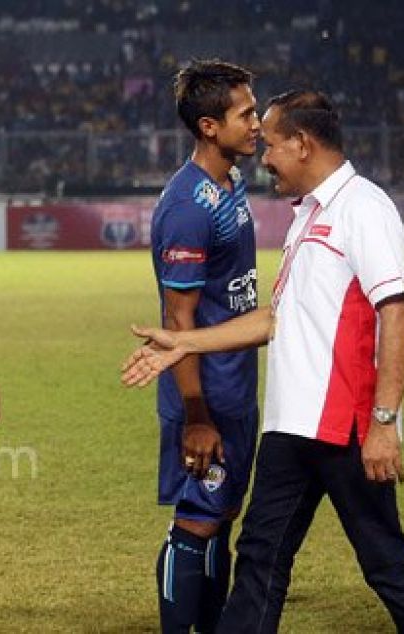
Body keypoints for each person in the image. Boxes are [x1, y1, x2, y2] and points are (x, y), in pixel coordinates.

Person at [123, 90, 404, 632]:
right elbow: (274, 320)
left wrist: (384, 423)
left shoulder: (364, 209)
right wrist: (185, 343)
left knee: (385, 561)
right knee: (260, 557)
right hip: (291, 428)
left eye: (273, 143)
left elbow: (396, 313)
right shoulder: (308, 216)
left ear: (302, 144)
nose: (265, 155)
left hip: (344, 427)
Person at [145, 60, 261, 634]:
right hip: (206, 396)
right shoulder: (190, 206)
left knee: (222, 517)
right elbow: (177, 321)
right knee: (195, 522)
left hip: (236, 386)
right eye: (246, 113)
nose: (258, 123)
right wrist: (195, 414)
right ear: (210, 127)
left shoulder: (229, 183)